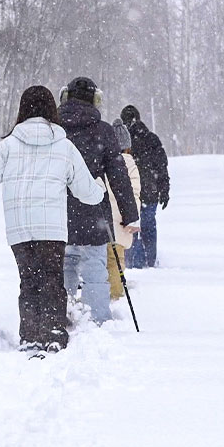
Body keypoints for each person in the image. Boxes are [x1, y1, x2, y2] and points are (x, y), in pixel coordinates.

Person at [0, 85, 104, 353]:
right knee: (52, 279)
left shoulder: (9, 146)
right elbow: (87, 192)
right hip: (51, 228)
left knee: (28, 280)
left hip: (19, 227)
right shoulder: (64, 146)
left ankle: (30, 335)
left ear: (23, 109)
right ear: (52, 109)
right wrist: (100, 189)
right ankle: (53, 333)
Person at [58, 77, 140, 324]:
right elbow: (118, 175)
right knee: (95, 264)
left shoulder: (55, 129)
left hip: (59, 210)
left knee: (66, 262)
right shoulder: (103, 130)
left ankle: (65, 311)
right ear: (95, 100)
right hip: (94, 212)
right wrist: (130, 214)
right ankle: (98, 319)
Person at [120, 104, 170, 268]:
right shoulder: (152, 138)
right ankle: (150, 260)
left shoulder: (123, 142)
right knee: (149, 226)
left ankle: (133, 263)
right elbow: (162, 167)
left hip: (130, 192)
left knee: (131, 227)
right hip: (151, 191)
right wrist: (164, 189)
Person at [106, 119, 141, 301]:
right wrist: (134, 218)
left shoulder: (104, 161)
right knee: (116, 260)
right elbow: (135, 193)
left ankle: (101, 292)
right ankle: (116, 293)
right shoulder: (131, 165)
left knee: (101, 261)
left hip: (104, 219)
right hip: (122, 219)